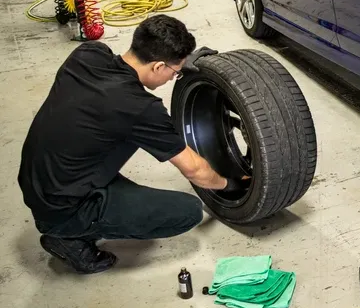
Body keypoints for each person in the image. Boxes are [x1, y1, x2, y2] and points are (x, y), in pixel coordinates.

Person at [17, 14, 245, 275]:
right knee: (188, 211)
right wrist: (231, 184)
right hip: (63, 206)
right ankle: (67, 237)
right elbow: (195, 170)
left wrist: (181, 62)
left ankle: (70, 219)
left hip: (39, 179)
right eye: (175, 72)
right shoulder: (140, 108)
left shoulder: (88, 54)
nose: (174, 78)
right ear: (158, 66)